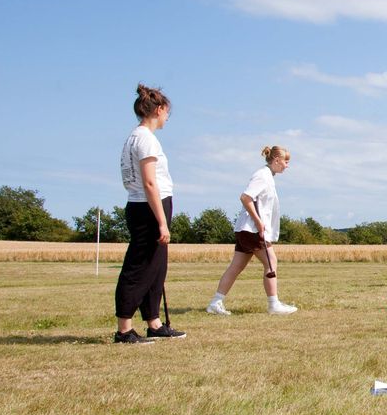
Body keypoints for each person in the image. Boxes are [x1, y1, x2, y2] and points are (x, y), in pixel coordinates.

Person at [114, 84, 186, 343]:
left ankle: (154, 323)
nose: (167, 117)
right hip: (147, 207)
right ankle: (124, 329)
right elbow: (149, 182)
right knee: (139, 268)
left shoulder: (136, 137)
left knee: (157, 268)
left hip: (147, 205)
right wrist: (162, 222)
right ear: (159, 110)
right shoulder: (145, 139)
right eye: (167, 112)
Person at [206, 146, 298, 315]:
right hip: (252, 230)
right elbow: (245, 197)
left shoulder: (267, 176)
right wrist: (259, 222)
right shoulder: (262, 176)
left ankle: (216, 302)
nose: (287, 165)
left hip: (247, 230)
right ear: (276, 160)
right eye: (286, 161)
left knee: (236, 266)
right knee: (271, 262)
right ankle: (273, 304)